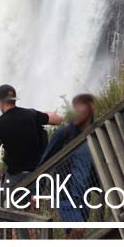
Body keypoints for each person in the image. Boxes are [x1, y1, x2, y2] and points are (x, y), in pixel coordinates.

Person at [0, 85, 64, 202]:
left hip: (16, 178)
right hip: (39, 173)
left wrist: (1, 140)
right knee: (32, 207)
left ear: (0, 102)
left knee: (7, 207)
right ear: (14, 100)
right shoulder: (31, 114)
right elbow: (57, 119)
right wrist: (40, 116)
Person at [37, 94, 99, 236]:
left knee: (75, 234)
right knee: (78, 229)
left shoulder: (94, 134)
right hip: (63, 191)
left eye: (80, 106)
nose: (76, 110)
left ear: (91, 107)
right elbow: (44, 163)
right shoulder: (63, 133)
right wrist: (36, 192)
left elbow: (95, 165)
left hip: (83, 194)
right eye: (74, 107)